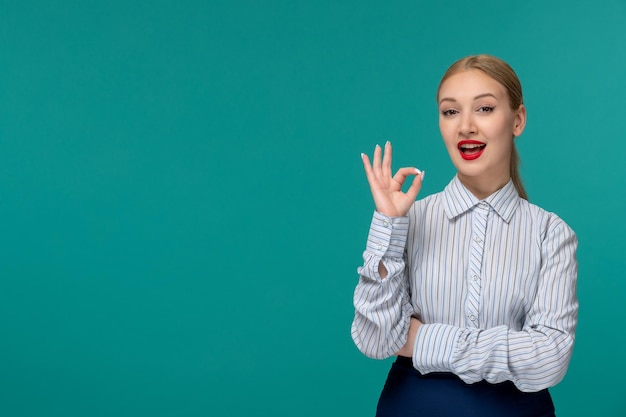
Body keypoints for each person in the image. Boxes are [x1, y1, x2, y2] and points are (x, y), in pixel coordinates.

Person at [351, 54, 578, 417]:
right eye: (451, 111)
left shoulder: (551, 233)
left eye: (485, 108)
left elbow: (549, 359)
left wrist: (421, 340)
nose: (466, 126)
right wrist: (388, 225)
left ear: (517, 120)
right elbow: (377, 340)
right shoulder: (409, 221)